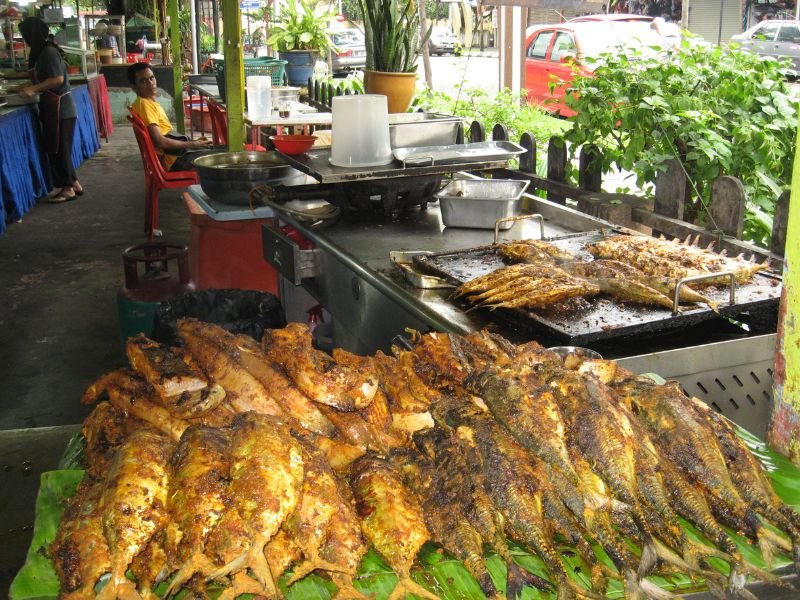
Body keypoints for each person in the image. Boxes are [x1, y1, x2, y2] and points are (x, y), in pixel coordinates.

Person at [18, 16, 83, 203]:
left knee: (59, 149)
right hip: (56, 107)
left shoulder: (48, 52)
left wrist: (33, 89)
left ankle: (67, 189)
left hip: (61, 108)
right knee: (60, 148)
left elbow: (57, 79)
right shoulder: (42, 51)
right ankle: (74, 183)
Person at [127, 62, 221, 171]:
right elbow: (160, 141)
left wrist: (193, 143)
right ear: (134, 87)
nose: (150, 83)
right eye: (143, 81)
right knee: (228, 155)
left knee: (221, 149)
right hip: (176, 159)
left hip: (177, 155)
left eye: (152, 78)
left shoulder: (146, 102)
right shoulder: (144, 105)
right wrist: (193, 144)